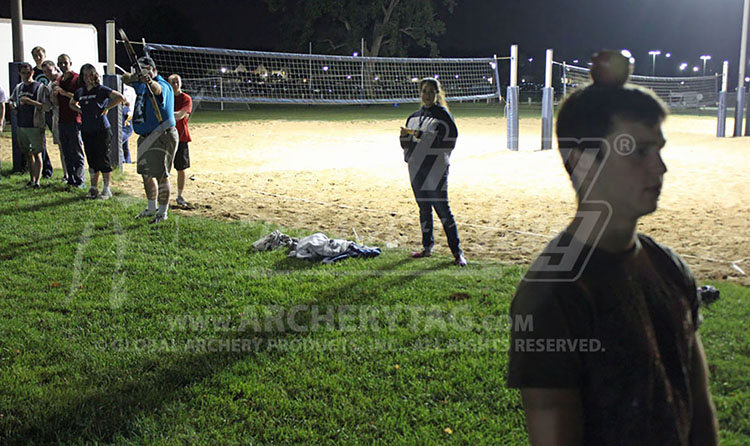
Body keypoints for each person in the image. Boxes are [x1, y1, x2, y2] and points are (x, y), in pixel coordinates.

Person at [506, 53, 718, 446]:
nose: (660, 168)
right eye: (638, 151)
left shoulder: (669, 268)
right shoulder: (552, 295)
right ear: (582, 163)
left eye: (659, 149)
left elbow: (698, 409)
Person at [399, 77, 466, 266]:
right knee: (424, 209)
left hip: (436, 170)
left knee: (443, 210)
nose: (427, 95)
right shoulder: (413, 117)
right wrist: (404, 137)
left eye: (431, 91)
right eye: (424, 91)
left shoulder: (443, 116)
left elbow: (448, 142)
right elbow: (406, 146)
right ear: (419, 94)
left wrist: (420, 136)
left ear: (437, 94)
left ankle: (457, 253)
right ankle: (427, 247)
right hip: (416, 169)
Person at [122, 56, 178, 224]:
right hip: (145, 136)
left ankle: (162, 212)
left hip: (162, 135)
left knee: (161, 176)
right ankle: (151, 207)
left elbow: (157, 90)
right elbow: (124, 78)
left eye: (144, 70)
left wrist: (148, 80)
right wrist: (135, 77)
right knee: (146, 174)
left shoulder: (163, 84)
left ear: (153, 70)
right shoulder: (139, 83)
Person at [70, 64, 124, 200]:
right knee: (92, 159)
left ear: (94, 75)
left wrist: (106, 108)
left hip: (101, 129)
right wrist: (80, 110)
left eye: (90, 74)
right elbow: (72, 103)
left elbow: (119, 97)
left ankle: (106, 189)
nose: (88, 77)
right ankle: (93, 187)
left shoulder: (100, 89)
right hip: (87, 129)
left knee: (103, 159)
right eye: (85, 75)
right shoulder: (81, 92)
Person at [10, 63, 46, 188]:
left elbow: (45, 106)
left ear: (33, 73)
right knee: (27, 153)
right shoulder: (19, 87)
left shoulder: (39, 87)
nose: (26, 75)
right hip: (21, 124)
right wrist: (13, 105)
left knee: (37, 153)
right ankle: (31, 179)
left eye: (28, 72)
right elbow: (12, 100)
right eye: (23, 73)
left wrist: (30, 102)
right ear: (20, 74)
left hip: (35, 124)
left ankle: (37, 181)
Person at [53, 54, 86, 188]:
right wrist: (54, 94)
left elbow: (80, 97)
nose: (63, 66)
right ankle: (71, 179)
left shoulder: (77, 79)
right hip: (62, 119)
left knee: (76, 151)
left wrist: (63, 92)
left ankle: (80, 180)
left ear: (70, 63)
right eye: (60, 63)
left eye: (65, 63)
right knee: (66, 152)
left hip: (75, 119)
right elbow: (56, 102)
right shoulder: (59, 80)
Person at [168, 74, 193, 207]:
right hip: (166, 136)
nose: (175, 84)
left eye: (177, 82)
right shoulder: (167, 97)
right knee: (163, 167)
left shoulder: (186, 99)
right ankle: (163, 194)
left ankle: (179, 195)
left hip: (181, 137)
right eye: (173, 82)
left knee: (181, 168)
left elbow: (180, 115)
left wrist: (166, 113)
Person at [41, 60, 67, 182]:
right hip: (56, 116)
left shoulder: (63, 80)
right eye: (45, 72)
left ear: (55, 68)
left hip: (69, 115)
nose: (48, 74)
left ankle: (74, 174)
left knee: (71, 147)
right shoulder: (49, 86)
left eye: (49, 71)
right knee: (61, 147)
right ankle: (66, 174)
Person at [30, 46, 54, 178]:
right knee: (40, 142)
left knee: (58, 140)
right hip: (39, 110)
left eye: (39, 55)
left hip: (50, 109)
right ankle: (45, 169)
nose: (38, 58)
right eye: (35, 55)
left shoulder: (49, 70)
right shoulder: (33, 72)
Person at [121, 83, 136, 163]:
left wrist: (128, 117)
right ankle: (127, 160)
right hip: (124, 129)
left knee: (119, 142)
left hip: (126, 129)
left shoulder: (126, 109)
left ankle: (122, 160)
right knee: (125, 146)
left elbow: (129, 116)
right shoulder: (122, 109)